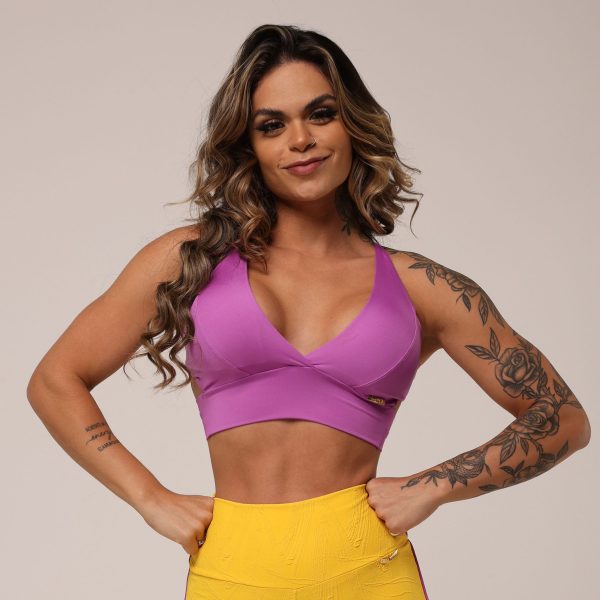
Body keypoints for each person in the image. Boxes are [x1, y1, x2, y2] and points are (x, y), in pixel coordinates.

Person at [26, 24, 591, 600]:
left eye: (321, 114)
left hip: (370, 570)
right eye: (272, 125)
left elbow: (563, 419)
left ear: (353, 124)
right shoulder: (192, 257)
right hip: (233, 571)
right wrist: (150, 499)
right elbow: (55, 380)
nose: (300, 140)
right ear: (249, 145)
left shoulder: (423, 286)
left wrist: (433, 486)